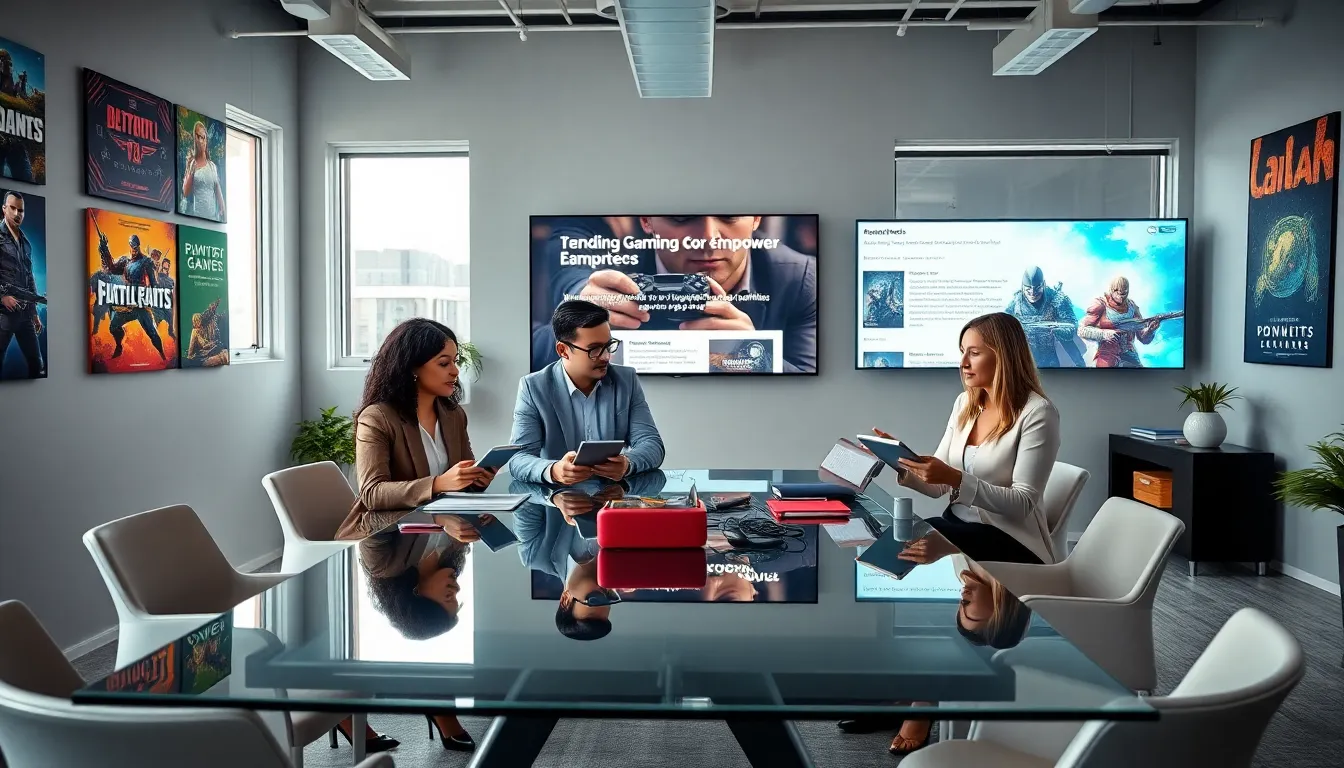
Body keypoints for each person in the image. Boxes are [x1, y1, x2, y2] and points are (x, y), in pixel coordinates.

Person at [333, 317, 489, 752]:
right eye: (446, 362)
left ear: (419, 594)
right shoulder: (377, 418)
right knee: (395, 640)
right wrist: (440, 485)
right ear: (413, 367)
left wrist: (478, 476)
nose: (456, 371)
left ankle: (433, 702)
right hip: (380, 533)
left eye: (453, 361)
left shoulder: (452, 413)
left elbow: (464, 473)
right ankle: (361, 707)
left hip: (433, 527)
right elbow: (372, 492)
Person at [880, 311, 1061, 567]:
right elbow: (938, 487)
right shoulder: (965, 404)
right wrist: (900, 461)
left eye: (974, 353)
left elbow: (1022, 504)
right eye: (962, 351)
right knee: (900, 542)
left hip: (1009, 540)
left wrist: (955, 478)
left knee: (915, 540)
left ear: (1004, 357)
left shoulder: (1038, 413)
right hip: (959, 526)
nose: (963, 362)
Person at [535, 216, 818, 373]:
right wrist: (578, 326)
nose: (707, 237)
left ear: (757, 218)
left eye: (729, 216)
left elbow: (814, 394)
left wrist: (757, 358)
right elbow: (535, 359)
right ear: (646, 221)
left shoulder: (800, 277)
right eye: (682, 218)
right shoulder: (615, 267)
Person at [508, 300, 665, 486]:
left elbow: (652, 444)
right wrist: (553, 470)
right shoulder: (534, 387)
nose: (606, 356)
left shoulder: (626, 380)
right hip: (557, 504)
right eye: (595, 349)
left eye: (609, 346)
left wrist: (628, 464)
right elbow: (518, 458)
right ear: (563, 350)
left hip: (613, 499)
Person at [98, 232, 167, 361]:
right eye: (133, 247)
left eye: (136, 247)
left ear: (138, 246)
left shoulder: (146, 262)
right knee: (113, 327)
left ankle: (163, 355)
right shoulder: (125, 260)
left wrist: (151, 298)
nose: (135, 250)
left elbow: (154, 284)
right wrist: (104, 248)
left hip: (141, 305)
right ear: (130, 246)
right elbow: (111, 267)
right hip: (127, 305)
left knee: (152, 333)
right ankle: (119, 345)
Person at [1004, 266, 1085, 368]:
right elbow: (1004, 324)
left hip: (1051, 356)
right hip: (1024, 357)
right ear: (1023, 286)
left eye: (1037, 288)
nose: (1033, 293)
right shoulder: (1016, 302)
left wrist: (1058, 329)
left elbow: (1071, 324)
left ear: (1043, 284)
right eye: (1028, 288)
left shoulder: (1056, 299)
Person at [0, 191, 43, 378]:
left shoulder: (26, 243)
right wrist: (2, 297)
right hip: (4, 316)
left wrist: (34, 314)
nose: (17, 214)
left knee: (37, 364)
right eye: (13, 208)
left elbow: (29, 278)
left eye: (21, 210)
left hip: (25, 315)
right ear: (4, 209)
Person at [1078, 276, 1161, 368]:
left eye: (1124, 294)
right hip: (1107, 354)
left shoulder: (1132, 307)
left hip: (1129, 353)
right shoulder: (1101, 304)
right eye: (1118, 293)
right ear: (1111, 290)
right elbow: (1082, 330)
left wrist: (1150, 330)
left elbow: (1143, 339)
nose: (1121, 297)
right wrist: (1104, 334)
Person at [181, 120, 225, 220]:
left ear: (206, 139)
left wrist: (222, 208)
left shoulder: (212, 166)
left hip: (212, 217)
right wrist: (190, 170)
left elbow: (217, 188)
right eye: (199, 137)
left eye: (203, 137)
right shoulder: (192, 164)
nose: (201, 141)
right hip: (197, 216)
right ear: (195, 139)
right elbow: (185, 192)